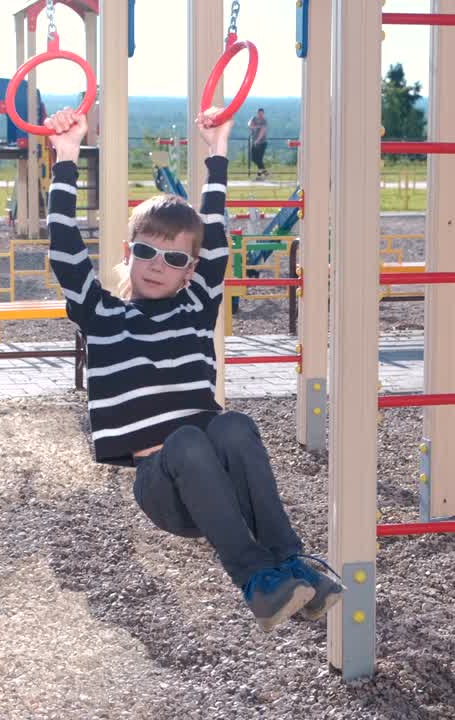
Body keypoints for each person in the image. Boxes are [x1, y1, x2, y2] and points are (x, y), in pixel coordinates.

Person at [43, 107, 344, 632]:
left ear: (190, 272)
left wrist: (216, 153)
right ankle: (256, 582)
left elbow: (218, 242)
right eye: (146, 251)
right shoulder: (102, 313)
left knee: (233, 424)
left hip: (220, 481)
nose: (159, 264)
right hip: (165, 488)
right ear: (127, 253)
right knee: (185, 439)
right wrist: (66, 158)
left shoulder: (195, 307)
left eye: (176, 259)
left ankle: (290, 564)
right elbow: (65, 250)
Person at [247, 108, 269, 180]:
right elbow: (249, 125)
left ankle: (259, 175)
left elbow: (262, 132)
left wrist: (257, 140)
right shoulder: (254, 119)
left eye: (261, 114)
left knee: (259, 159)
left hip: (262, 142)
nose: (260, 115)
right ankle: (265, 172)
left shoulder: (264, 121)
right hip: (254, 142)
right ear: (257, 113)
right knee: (253, 158)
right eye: (259, 113)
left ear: (263, 114)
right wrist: (256, 126)